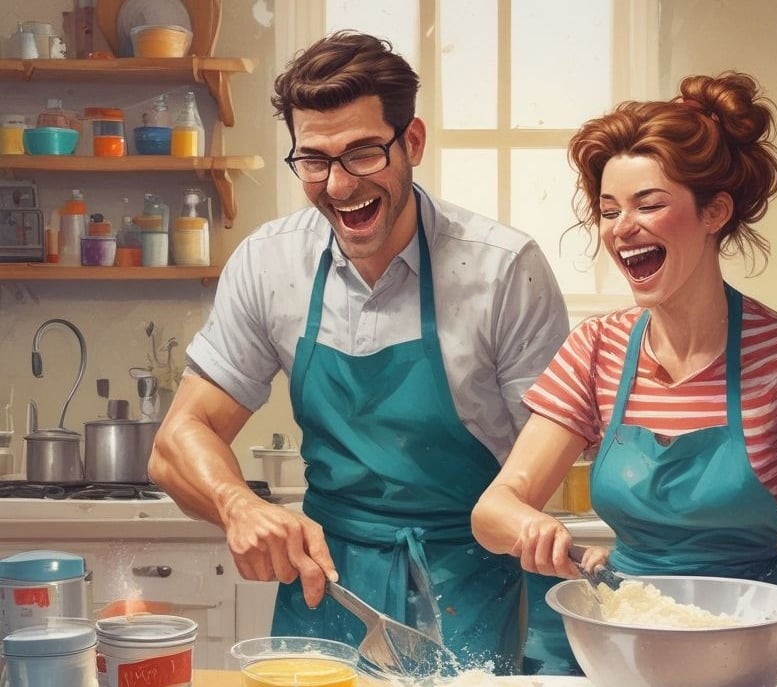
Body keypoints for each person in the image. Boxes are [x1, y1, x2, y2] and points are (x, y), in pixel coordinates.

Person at [147, 31, 572, 675]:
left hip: (468, 588)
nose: (340, 186)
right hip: (326, 587)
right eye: (313, 159)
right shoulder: (269, 263)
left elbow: (546, 476)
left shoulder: (505, 270)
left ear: (414, 143)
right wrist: (238, 504)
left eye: (364, 153)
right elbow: (179, 438)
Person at [471, 72, 777, 687]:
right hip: (619, 632)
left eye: (649, 204)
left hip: (754, 642)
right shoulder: (596, 347)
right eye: (609, 210)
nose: (620, 227)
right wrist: (528, 526)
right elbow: (494, 507)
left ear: (714, 211)